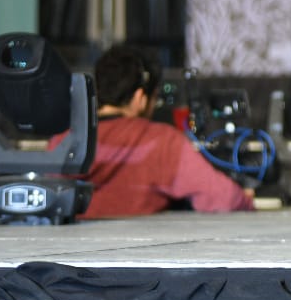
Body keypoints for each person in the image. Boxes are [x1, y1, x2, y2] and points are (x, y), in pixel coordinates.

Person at [78, 46, 255, 219]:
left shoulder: (65, 140)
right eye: (155, 98)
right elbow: (223, 199)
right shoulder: (161, 141)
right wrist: (244, 198)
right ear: (140, 98)